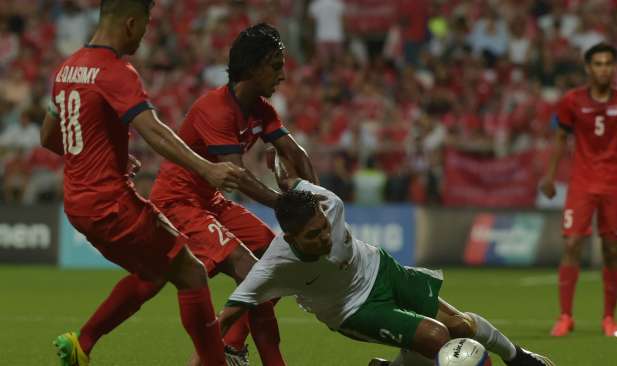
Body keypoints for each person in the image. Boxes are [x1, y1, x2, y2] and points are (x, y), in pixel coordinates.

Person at [61, 23, 319, 366]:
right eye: (276, 66)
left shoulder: (260, 109)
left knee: (270, 259)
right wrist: (284, 203)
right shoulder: (215, 109)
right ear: (254, 67)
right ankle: (235, 353)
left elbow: (295, 153)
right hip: (179, 202)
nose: (283, 76)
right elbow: (236, 176)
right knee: (248, 272)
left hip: (209, 200)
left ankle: (229, 347)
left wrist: (316, 200)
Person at [188, 151, 556, 366]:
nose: (325, 237)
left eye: (324, 228)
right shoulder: (274, 265)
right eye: (313, 237)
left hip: (379, 268)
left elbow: (292, 183)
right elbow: (227, 316)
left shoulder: (329, 203)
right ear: (290, 238)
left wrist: (281, 171)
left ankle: (518, 357)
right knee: (439, 338)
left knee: (461, 326)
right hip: (351, 309)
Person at [41, 1, 245, 365]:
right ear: (131, 23)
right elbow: (153, 130)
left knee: (153, 271)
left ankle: (81, 344)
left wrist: (98, 153)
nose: (146, 34)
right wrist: (206, 169)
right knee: (193, 273)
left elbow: (48, 136)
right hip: (111, 204)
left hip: (77, 203)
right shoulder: (116, 71)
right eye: (147, 26)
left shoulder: (66, 68)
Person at [540, 42, 617, 337]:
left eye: (608, 63)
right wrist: (550, 176)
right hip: (582, 182)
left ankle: (609, 319)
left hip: (615, 183)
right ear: (589, 68)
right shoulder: (572, 101)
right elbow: (561, 140)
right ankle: (565, 316)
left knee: (612, 250)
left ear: (614, 68)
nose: (604, 68)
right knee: (571, 244)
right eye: (598, 63)